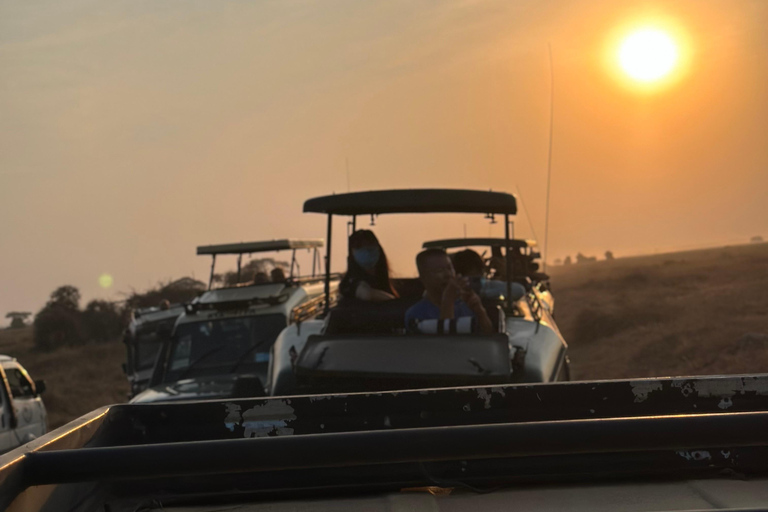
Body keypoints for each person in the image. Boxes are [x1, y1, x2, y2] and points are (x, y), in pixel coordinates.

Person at [405, 249, 493, 334]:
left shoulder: (465, 305)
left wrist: (480, 311)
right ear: (423, 278)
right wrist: (448, 300)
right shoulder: (416, 314)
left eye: (450, 268)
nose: (448, 274)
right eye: (439, 271)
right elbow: (446, 342)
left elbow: (488, 336)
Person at [339, 230, 397, 301]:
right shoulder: (351, 284)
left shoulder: (380, 279)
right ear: (352, 253)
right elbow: (365, 293)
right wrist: (392, 300)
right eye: (359, 247)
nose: (366, 252)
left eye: (370, 246)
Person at [452, 249, 525, 301]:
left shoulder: (488, 286)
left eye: (476, 279)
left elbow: (519, 290)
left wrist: (484, 294)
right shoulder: (453, 292)